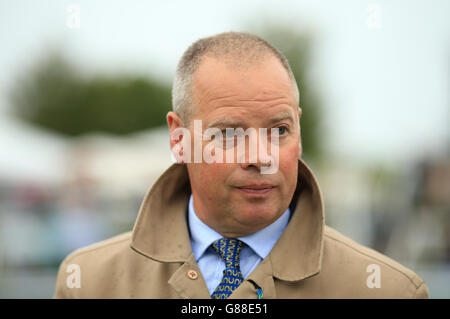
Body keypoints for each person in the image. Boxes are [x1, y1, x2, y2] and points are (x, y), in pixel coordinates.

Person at [54, 32, 429, 298]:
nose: (260, 157)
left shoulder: (384, 290)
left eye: (279, 130)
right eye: (230, 134)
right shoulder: (89, 283)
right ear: (179, 138)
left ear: (298, 128)